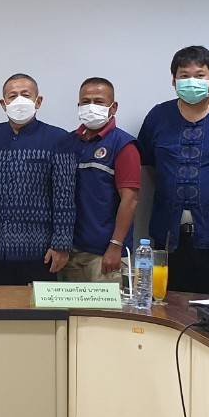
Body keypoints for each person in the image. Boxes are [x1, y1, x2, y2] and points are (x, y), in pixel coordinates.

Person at [136, 46, 209, 296]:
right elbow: (149, 166)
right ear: (173, 80)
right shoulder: (158, 117)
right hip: (167, 238)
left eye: (200, 75)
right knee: (165, 306)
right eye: (184, 75)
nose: (192, 81)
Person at [0, 74, 76, 285]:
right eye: (13, 96)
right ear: (3, 103)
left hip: (41, 250)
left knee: (38, 307)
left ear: (38, 101)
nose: (19, 100)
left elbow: (65, 196)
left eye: (26, 95)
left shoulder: (59, 138)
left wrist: (61, 244)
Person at [62, 78, 140, 284]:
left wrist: (116, 246)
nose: (91, 107)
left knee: (108, 306)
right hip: (71, 252)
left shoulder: (124, 145)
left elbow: (130, 200)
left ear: (113, 107)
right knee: (71, 306)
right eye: (85, 102)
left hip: (106, 255)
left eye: (98, 101)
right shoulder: (68, 143)